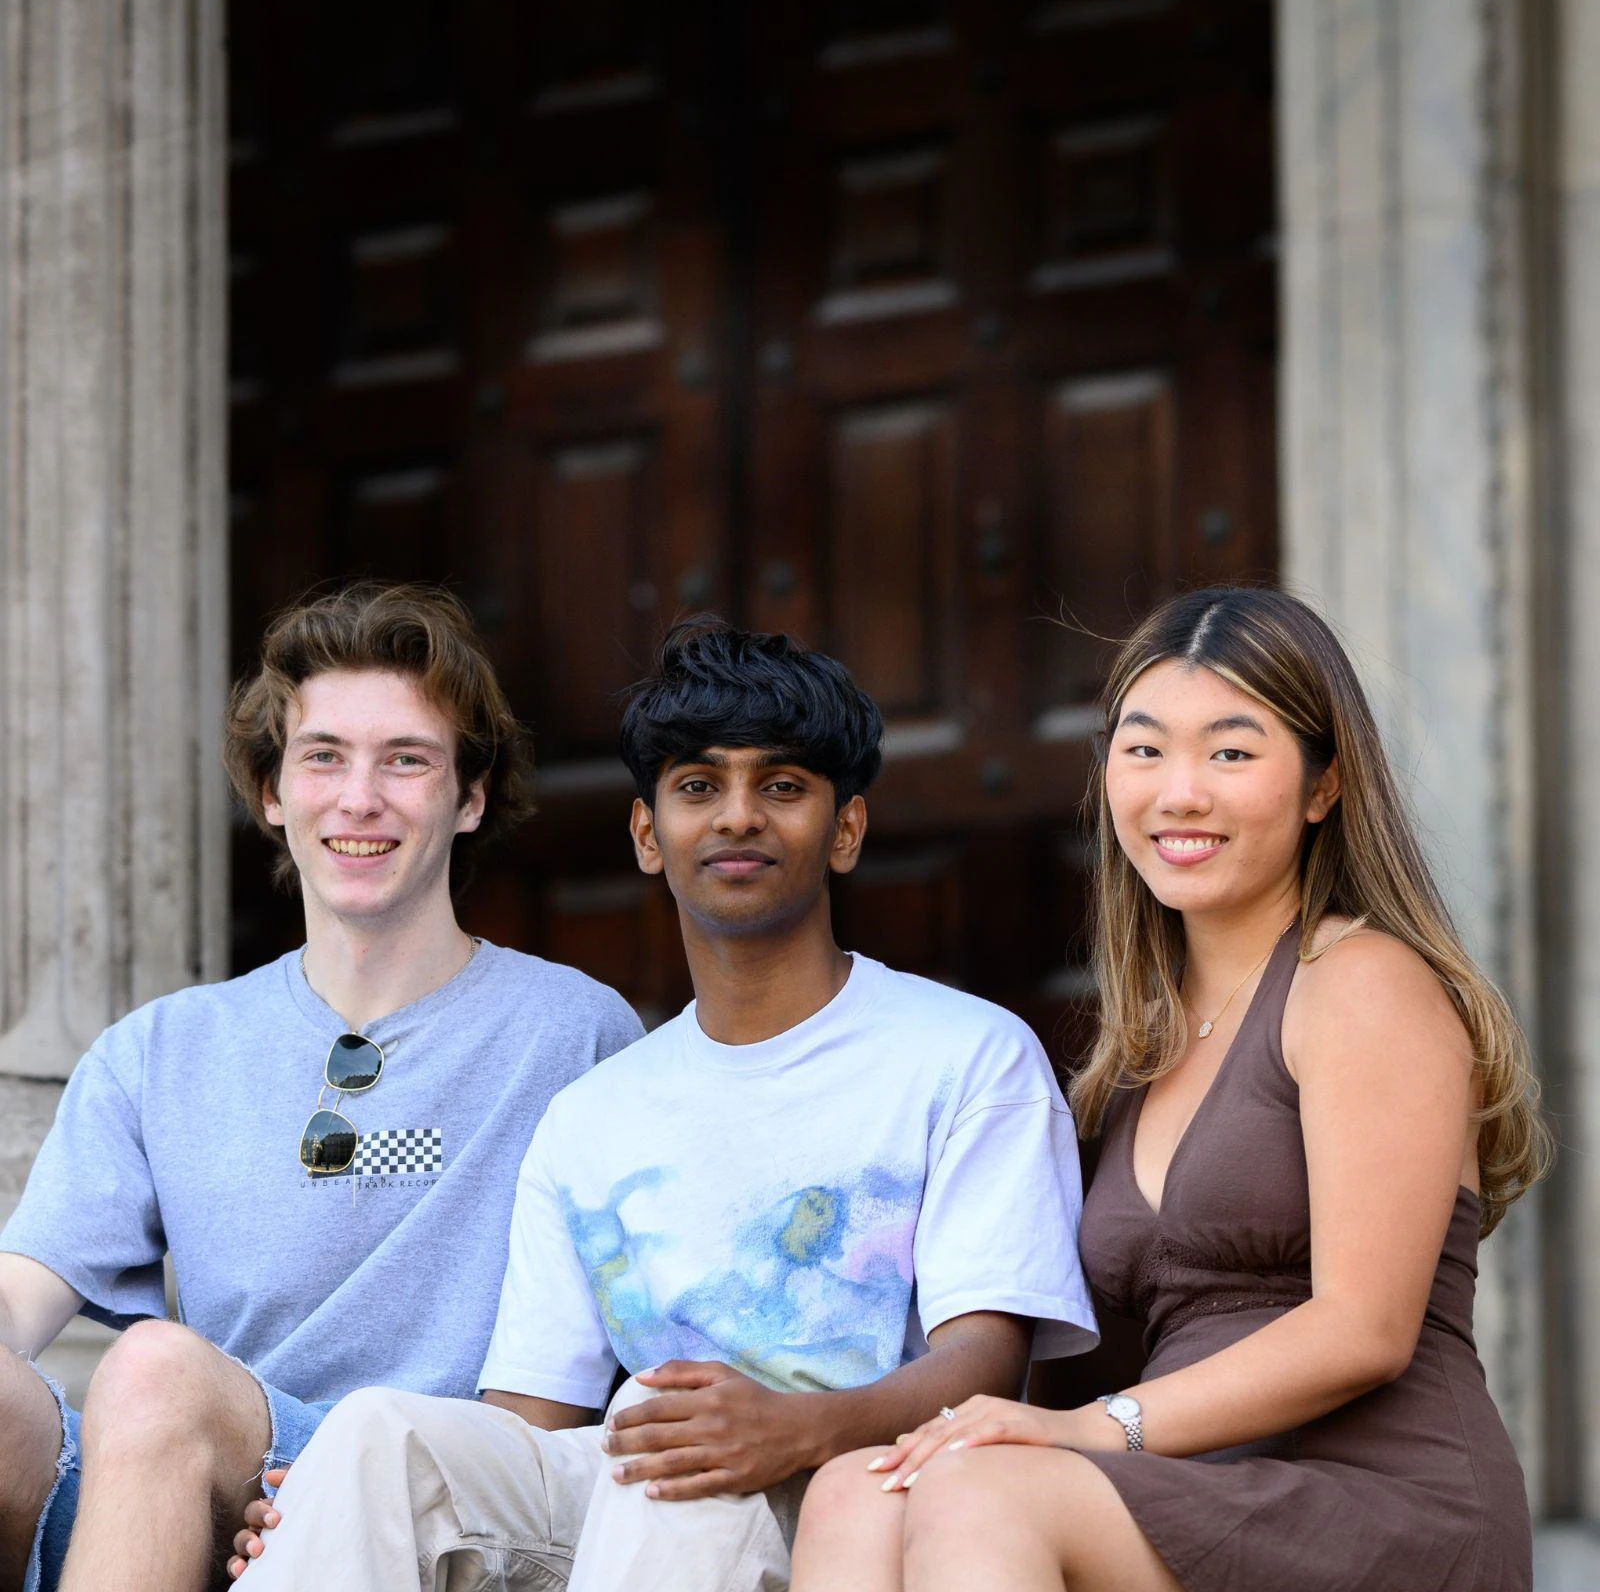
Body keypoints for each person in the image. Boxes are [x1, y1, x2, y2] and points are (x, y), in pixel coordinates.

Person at [232, 616, 1098, 1592]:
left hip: (860, 1494)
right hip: (642, 1501)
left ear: (846, 829)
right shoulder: (593, 1114)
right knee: (374, 1435)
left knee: (678, 1464)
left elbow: (986, 1360)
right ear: (649, 834)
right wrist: (340, 1498)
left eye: (782, 786)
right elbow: (528, 1422)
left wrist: (792, 1428)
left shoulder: (965, 1055)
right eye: (697, 787)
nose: (737, 817)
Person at [787, 586, 1550, 1592]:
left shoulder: (1359, 982)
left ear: (1323, 786)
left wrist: (1087, 1430)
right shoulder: (1143, 1048)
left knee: (978, 1492)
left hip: (1385, 1501)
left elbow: (1362, 1330)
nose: (1179, 793)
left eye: (1230, 753)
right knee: (857, 1489)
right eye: (1144, 749)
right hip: (1197, 1494)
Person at [0, 583, 642, 1592]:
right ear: (272, 791)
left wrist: (338, 1485)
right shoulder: (159, 1049)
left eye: (407, 759)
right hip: (197, 1475)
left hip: (436, 1492)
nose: (359, 797)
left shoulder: (576, 1033)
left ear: (470, 797)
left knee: (157, 1367)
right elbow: (17, 1298)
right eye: (324, 756)